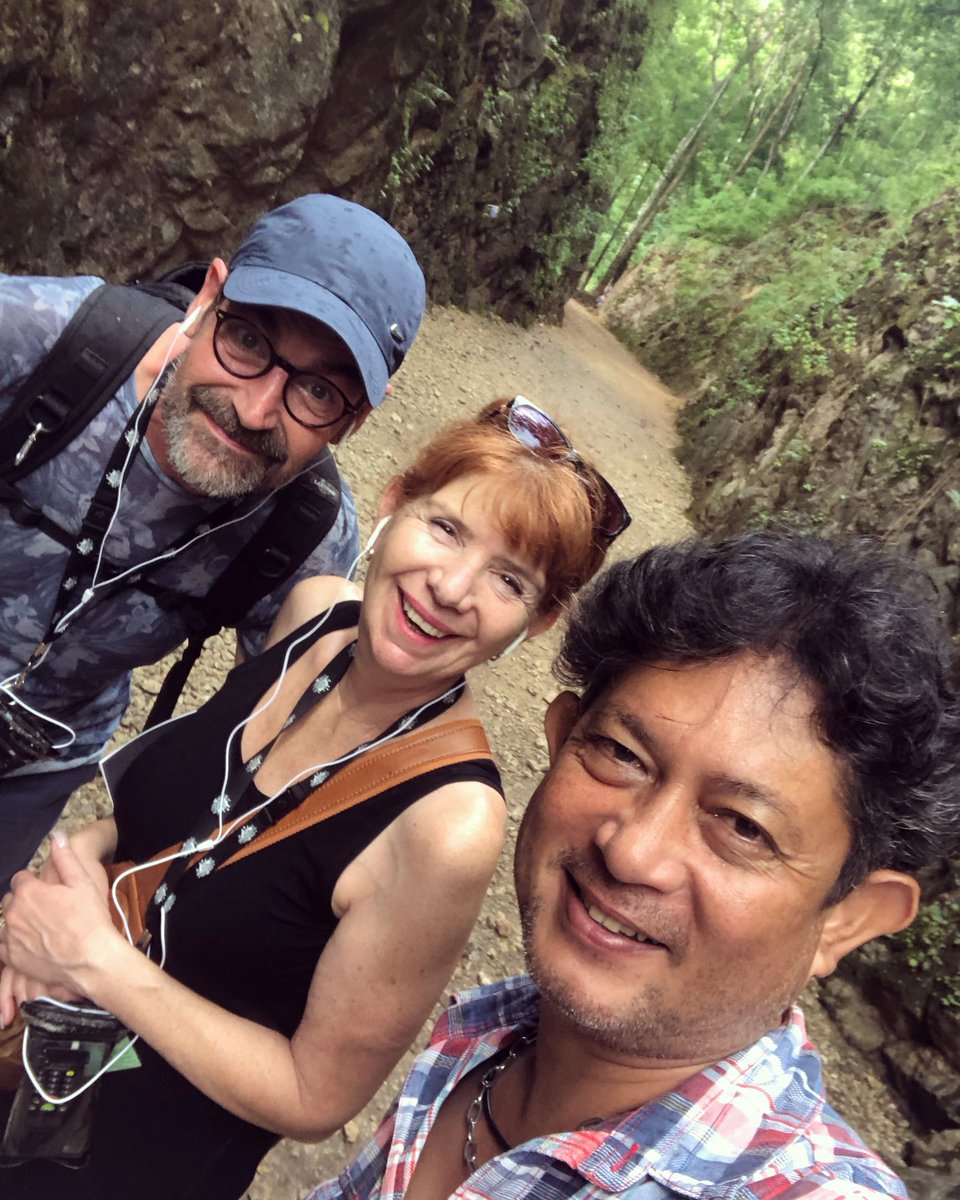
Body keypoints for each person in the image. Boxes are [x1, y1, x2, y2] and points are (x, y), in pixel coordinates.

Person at [0, 397, 629, 1199]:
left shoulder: (448, 823)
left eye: (509, 580)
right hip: (35, 1035)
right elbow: (190, 819)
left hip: (133, 1157)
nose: (450, 587)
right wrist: (68, 878)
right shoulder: (313, 614)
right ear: (396, 500)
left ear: (536, 622)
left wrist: (93, 957)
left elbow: (315, 1097)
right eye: (445, 528)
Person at [304, 533, 960, 1200]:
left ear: (847, 919)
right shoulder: (486, 1035)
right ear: (562, 737)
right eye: (622, 755)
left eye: (743, 826)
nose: (631, 851)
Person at [0, 192, 427, 892]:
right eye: (249, 341)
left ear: (353, 423)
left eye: (318, 392)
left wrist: (127, 879)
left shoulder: (306, 541)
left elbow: (274, 751)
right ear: (207, 299)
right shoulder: (37, 339)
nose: (254, 410)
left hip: (37, 759)